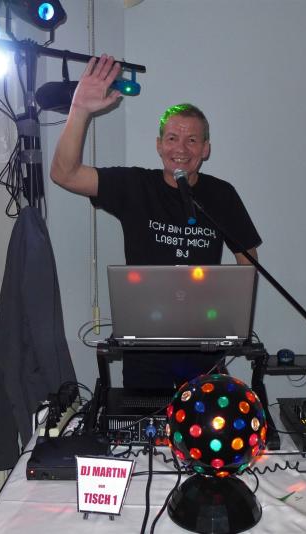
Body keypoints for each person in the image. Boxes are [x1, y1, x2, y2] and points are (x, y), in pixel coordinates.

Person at [51, 54, 262, 388]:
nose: (182, 148)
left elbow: (247, 260)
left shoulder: (222, 195)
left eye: (192, 140)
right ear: (159, 145)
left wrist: (230, 322)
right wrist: (79, 110)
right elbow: (65, 174)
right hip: (145, 353)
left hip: (204, 352)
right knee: (143, 422)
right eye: (172, 138)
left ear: (205, 149)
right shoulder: (135, 185)